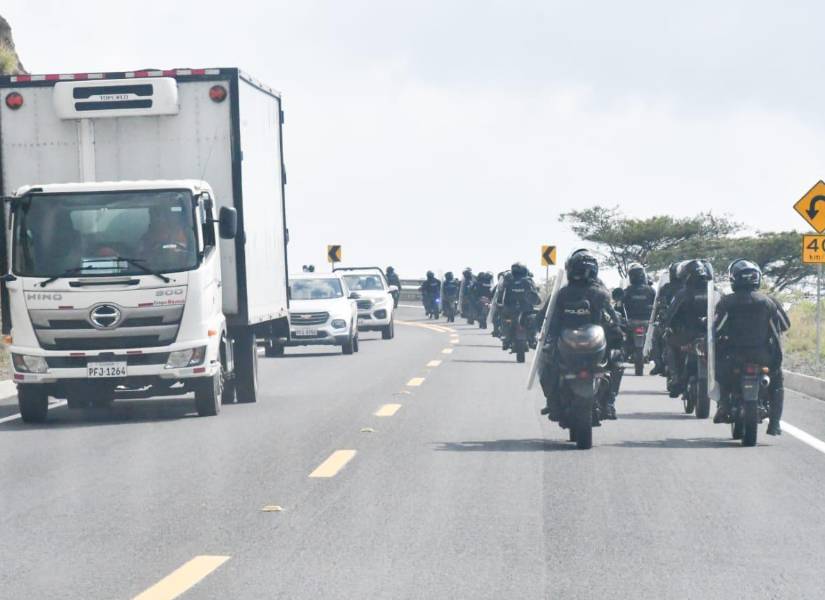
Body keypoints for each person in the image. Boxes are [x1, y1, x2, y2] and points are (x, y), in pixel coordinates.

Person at [538, 250, 624, 420]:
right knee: (617, 361)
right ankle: (609, 403)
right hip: (591, 350)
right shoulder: (600, 293)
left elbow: (544, 317)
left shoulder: (562, 293)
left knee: (546, 361)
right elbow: (614, 320)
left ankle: (553, 403)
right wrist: (619, 331)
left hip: (574, 349)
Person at [714, 260, 790, 435]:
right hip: (763, 356)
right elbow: (784, 325)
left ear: (734, 279)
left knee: (721, 374)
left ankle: (724, 406)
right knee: (776, 382)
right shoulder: (768, 302)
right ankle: (775, 424)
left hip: (734, 356)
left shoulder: (727, 302)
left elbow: (716, 329)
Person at [662, 259, 712, 397]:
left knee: (669, 343)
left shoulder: (683, 293)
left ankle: (676, 378)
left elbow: (671, 314)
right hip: (710, 335)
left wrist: (667, 326)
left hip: (687, 335)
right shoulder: (714, 291)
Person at [498, 262, 541, 350]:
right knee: (533, 319)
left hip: (511, 309)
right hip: (525, 310)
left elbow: (501, 293)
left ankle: (506, 337)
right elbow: (535, 295)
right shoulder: (528, 281)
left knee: (505, 318)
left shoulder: (508, 281)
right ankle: (532, 339)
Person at [650, 262, 682, 375]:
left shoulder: (668, 288)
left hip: (672, 321)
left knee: (656, 338)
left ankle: (659, 365)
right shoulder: (687, 288)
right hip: (674, 321)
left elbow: (661, 303)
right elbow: (660, 303)